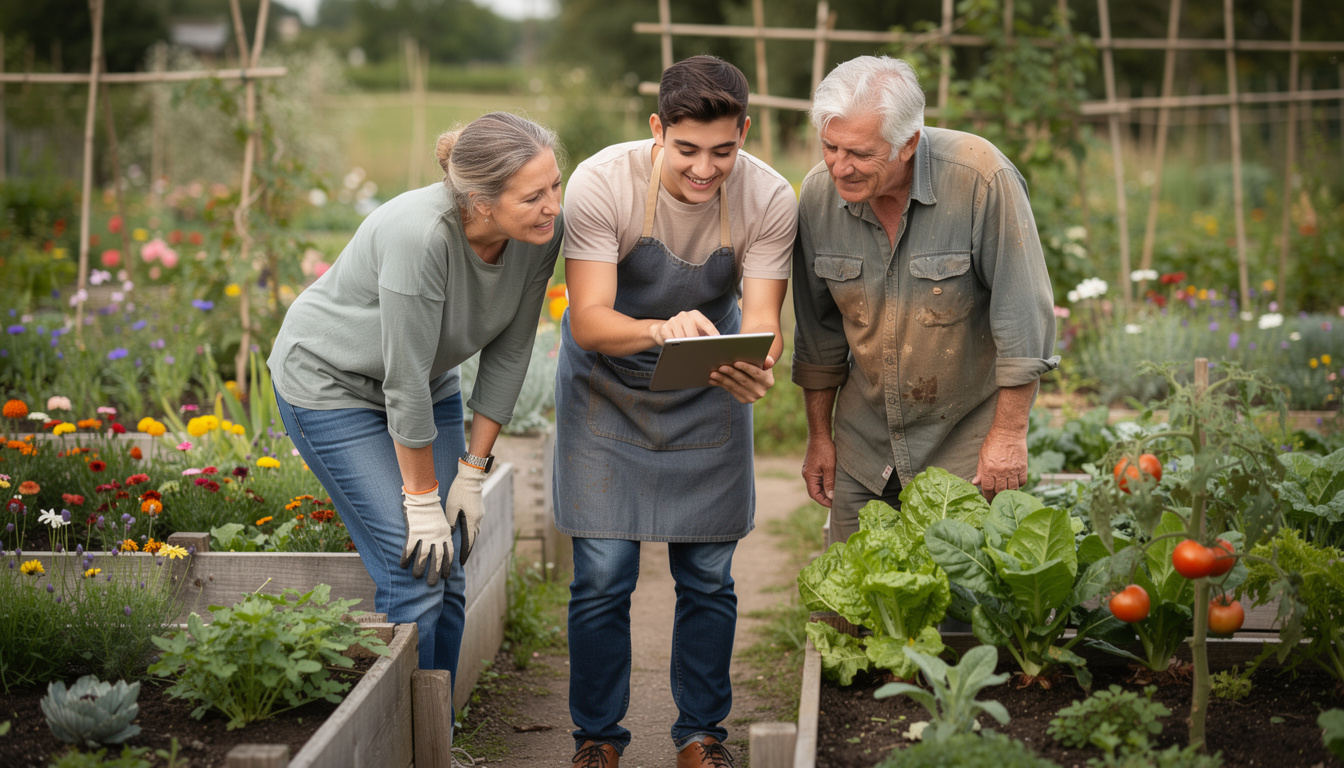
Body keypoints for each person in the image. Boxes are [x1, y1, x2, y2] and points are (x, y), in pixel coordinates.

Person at [267, 112, 564, 756]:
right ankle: (405, 751)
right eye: (533, 195)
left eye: (554, 186)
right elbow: (400, 381)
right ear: (480, 202)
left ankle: (434, 740)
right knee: (417, 566)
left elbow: (512, 354)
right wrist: (423, 501)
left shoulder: (541, 234)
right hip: (332, 385)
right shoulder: (418, 234)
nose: (552, 207)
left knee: (449, 565)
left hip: (426, 382)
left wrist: (474, 474)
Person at [554, 55, 796, 768]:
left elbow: (762, 319)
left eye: (724, 150)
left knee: (710, 576)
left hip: (706, 384)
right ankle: (597, 739)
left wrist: (758, 363)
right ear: (657, 129)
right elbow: (590, 320)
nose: (704, 168)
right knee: (602, 575)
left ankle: (700, 736)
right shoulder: (602, 183)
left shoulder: (770, 197)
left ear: (744, 132)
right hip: (607, 387)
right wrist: (662, 329)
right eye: (687, 149)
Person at [791, 55, 1059, 544]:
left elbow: (1024, 321)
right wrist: (820, 437)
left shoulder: (980, 178)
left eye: (859, 153)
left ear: (908, 143)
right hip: (864, 450)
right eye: (829, 146)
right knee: (846, 607)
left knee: (958, 605)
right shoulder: (816, 197)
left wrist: (1007, 437)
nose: (840, 167)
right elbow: (817, 338)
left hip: (964, 448)